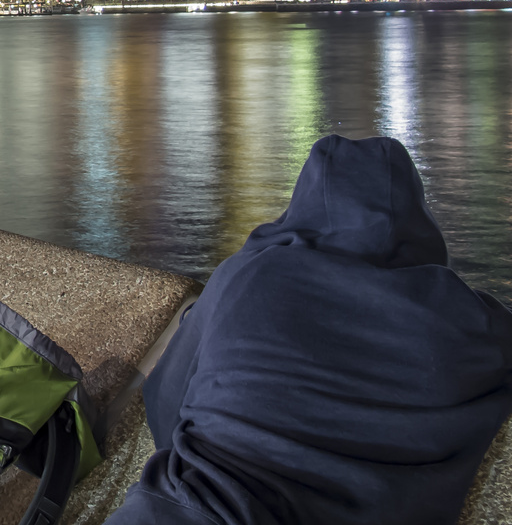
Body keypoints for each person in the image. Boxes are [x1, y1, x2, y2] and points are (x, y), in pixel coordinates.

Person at [108, 135, 512, 525]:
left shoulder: (252, 274)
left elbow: (164, 403)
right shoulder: (467, 316)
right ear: (416, 215)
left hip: (200, 509)